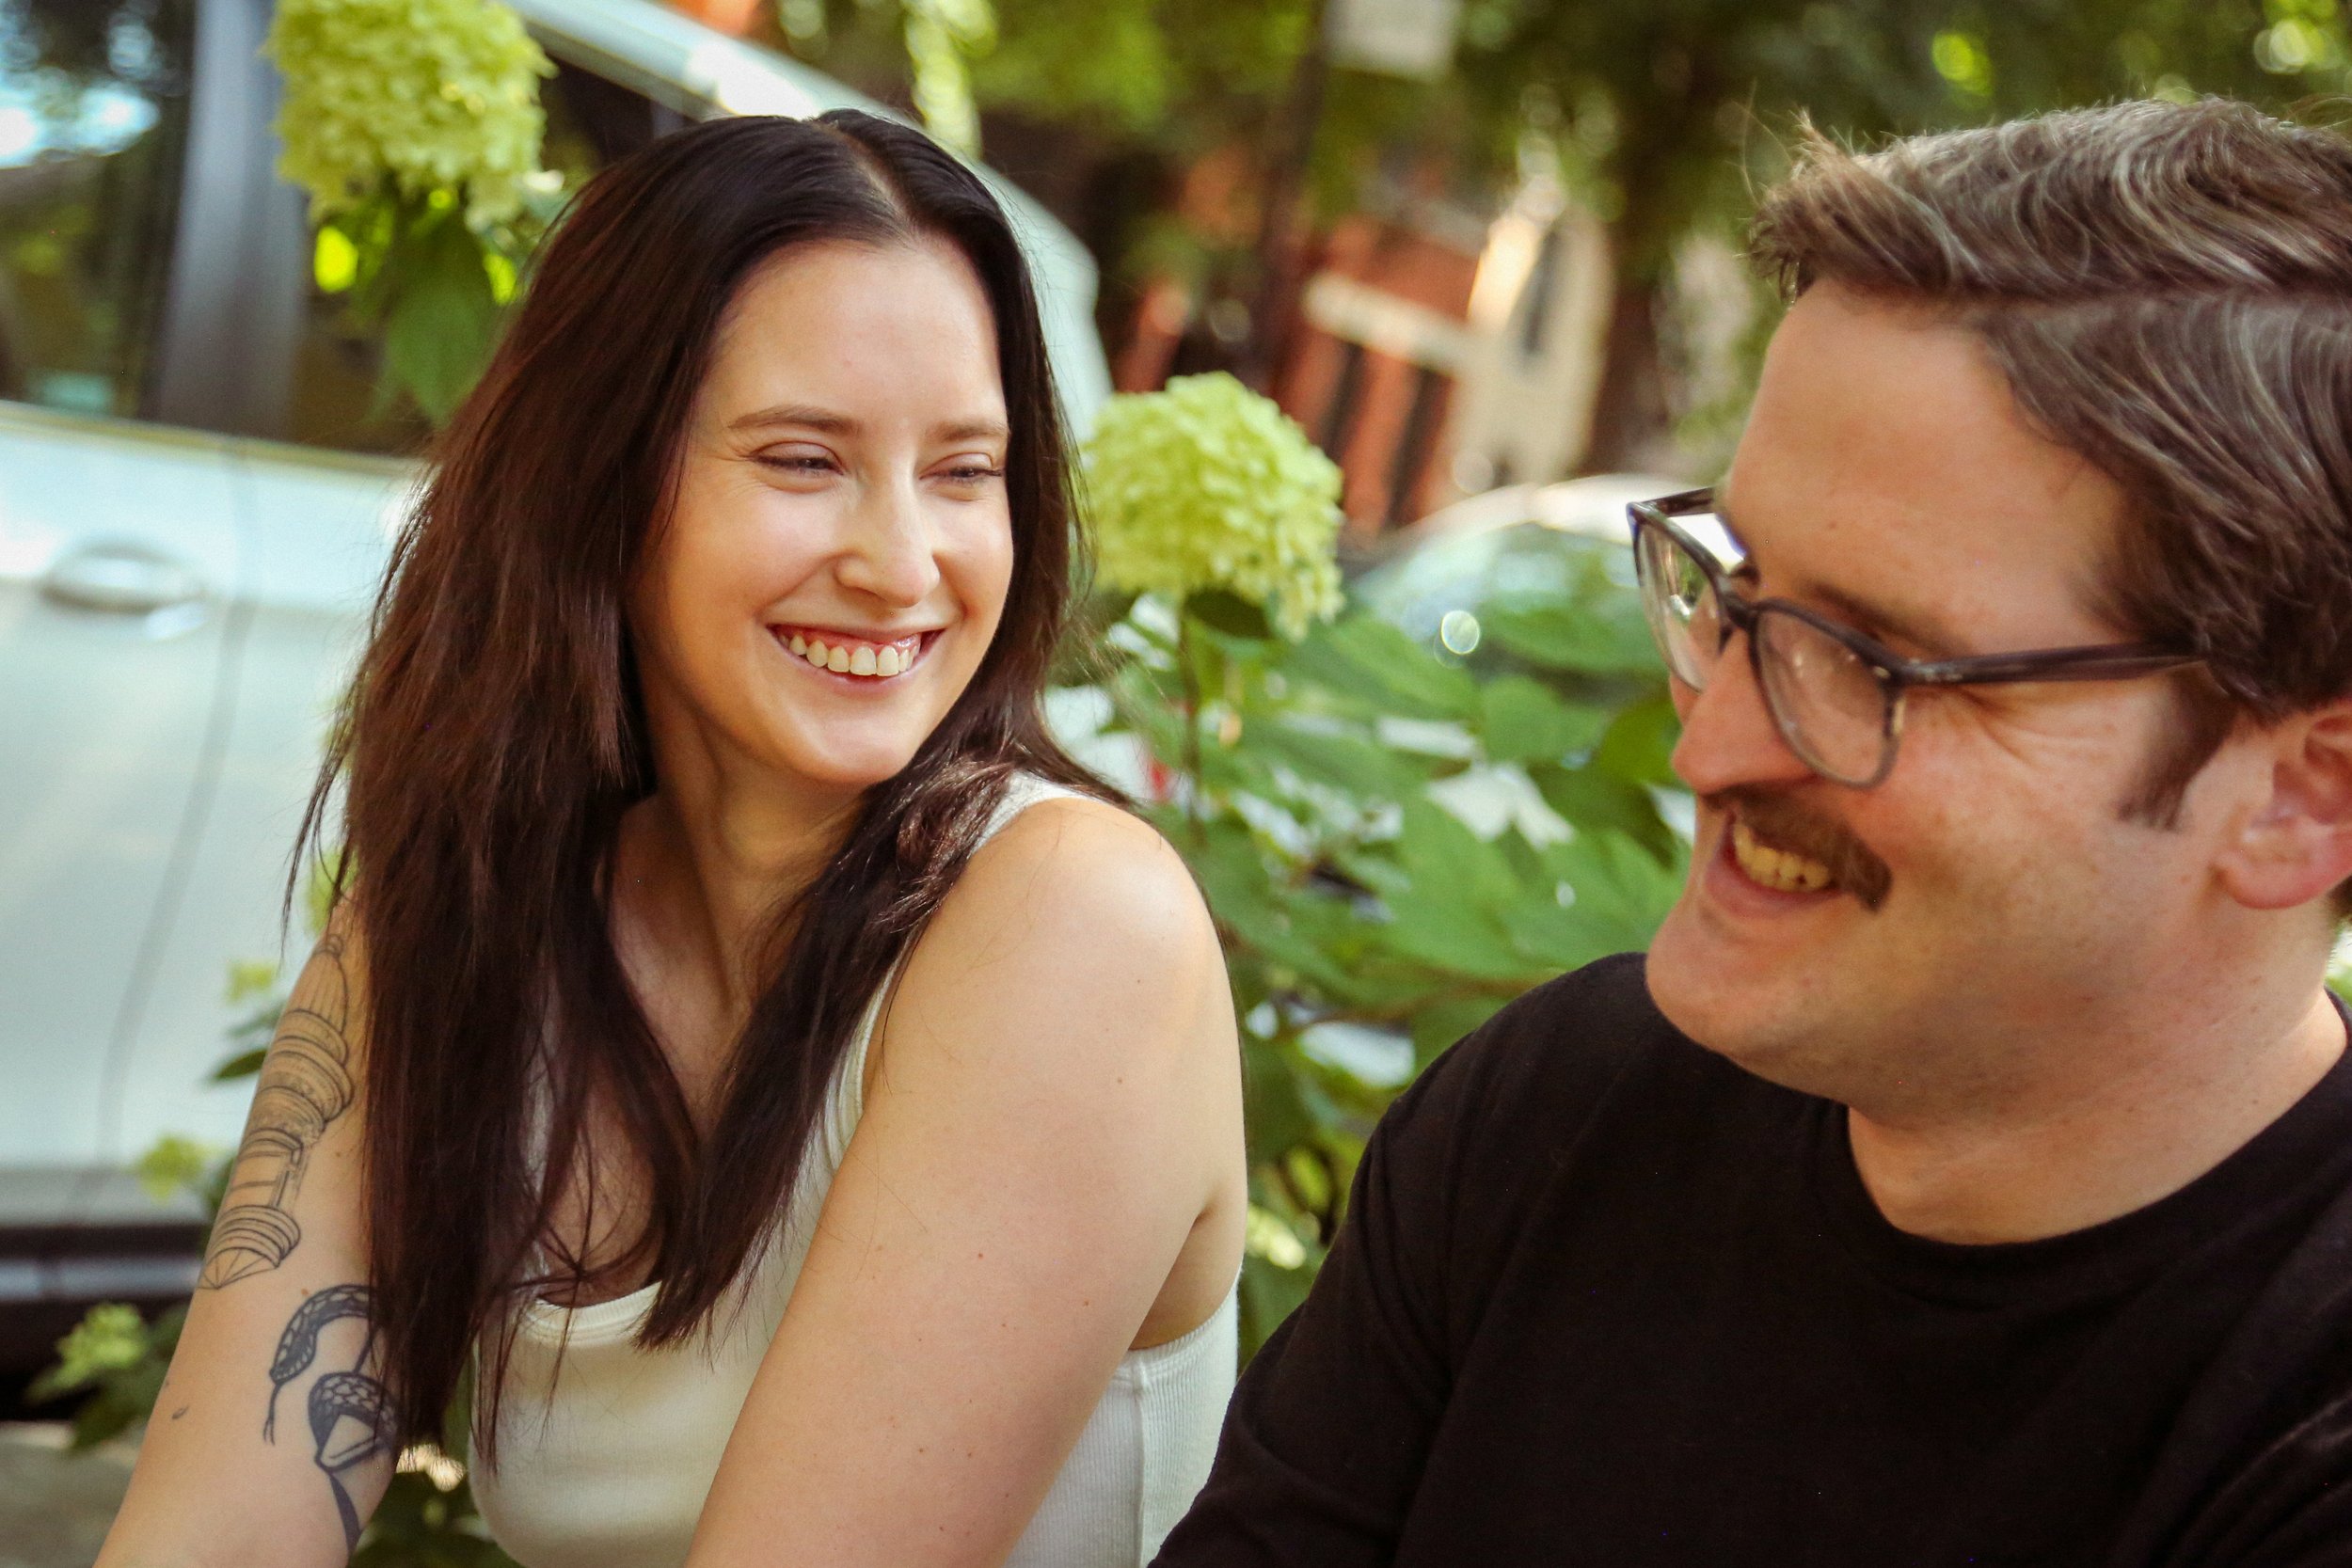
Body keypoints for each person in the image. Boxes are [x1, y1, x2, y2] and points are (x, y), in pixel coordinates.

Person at [1154, 97, 2352, 1567]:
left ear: (2303, 797)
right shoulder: (1557, 1118)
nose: (1708, 743)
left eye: (1875, 664)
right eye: (1738, 594)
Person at [98, 110, 1246, 1568]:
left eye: (965, 471)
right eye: (804, 459)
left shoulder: (1073, 927)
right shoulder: (463, 923)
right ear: (602, 482)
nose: (901, 563)